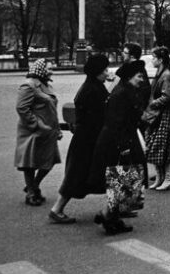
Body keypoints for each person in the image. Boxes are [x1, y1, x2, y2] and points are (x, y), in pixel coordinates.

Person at [49, 54, 110, 224]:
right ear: (98, 71)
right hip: (89, 140)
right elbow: (99, 116)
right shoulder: (94, 90)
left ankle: (58, 208)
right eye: (105, 69)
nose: (107, 72)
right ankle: (57, 209)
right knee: (78, 174)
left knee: (78, 174)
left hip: (85, 139)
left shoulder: (91, 86)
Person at [89, 60, 147, 235]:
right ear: (130, 77)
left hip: (123, 140)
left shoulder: (127, 91)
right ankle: (109, 217)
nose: (142, 79)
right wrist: (123, 147)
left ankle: (111, 216)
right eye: (139, 76)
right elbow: (116, 123)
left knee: (124, 179)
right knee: (120, 179)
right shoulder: (121, 93)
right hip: (116, 142)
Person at [15, 59, 62, 207]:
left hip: (48, 131)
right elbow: (22, 108)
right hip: (33, 131)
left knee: (49, 161)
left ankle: (33, 186)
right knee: (30, 163)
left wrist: (57, 129)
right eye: (49, 69)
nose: (52, 71)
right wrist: (37, 124)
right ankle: (31, 193)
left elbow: (52, 110)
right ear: (40, 69)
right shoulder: (28, 85)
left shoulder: (45, 84)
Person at [144, 46, 170, 191]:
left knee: (164, 147)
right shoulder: (162, 73)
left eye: (154, 57)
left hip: (165, 115)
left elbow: (166, 97)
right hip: (161, 114)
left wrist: (151, 104)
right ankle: (161, 177)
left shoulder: (165, 75)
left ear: (160, 59)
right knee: (157, 146)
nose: (152, 60)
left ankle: (168, 178)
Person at [122, 42, 151, 107]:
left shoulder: (138, 71)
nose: (122, 54)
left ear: (132, 56)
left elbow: (143, 92)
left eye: (125, 53)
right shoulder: (129, 67)